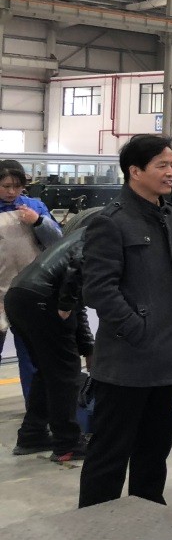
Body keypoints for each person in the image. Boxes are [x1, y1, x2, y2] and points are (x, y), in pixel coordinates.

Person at [78, 136, 172, 507]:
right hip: (127, 361)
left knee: (155, 448)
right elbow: (98, 290)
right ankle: (95, 522)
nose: (171, 173)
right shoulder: (110, 222)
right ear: (135, 171)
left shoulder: (171, 217)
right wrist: (137, 328)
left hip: (167, 357)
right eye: (162, 166)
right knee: (110, 451)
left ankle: (147, 512)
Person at [5, 226, 94, 461]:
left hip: (19, 295)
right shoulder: (107, 227)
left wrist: (87, 347)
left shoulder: (81, 232)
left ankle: (32, 435)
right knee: (65, 375)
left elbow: (78, 303)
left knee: (47, 372)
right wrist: (65, 304)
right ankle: (68, 443)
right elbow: (78, 267)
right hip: (44, 299)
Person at [0, 158, 63, 452]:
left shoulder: (34, 207)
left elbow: (57, 241)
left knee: (32, 358)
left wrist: (38, 222)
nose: (11, 192)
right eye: (5, 186)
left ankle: (35, 415)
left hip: (29, 292)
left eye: (17, 186)